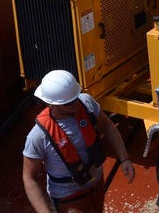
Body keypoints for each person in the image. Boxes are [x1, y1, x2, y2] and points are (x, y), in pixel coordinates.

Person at [23, 70, 136, 213]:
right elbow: (29, 177)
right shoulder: (38, 137)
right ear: (51, 104)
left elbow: (107, 126)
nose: (75, 103)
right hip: (68, 196)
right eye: (68, 102)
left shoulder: (87, 103)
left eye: (76, 97)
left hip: (96, 183)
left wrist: (124, 158)